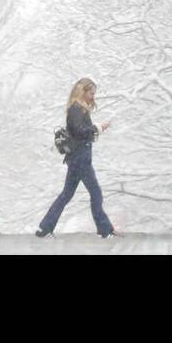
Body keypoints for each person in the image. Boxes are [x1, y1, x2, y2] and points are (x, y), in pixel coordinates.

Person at [37, 77, 116, 238]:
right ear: (83, 91)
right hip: (80, 158)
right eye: (91, 93)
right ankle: (105, 230)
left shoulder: (79, 109)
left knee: (67, 194)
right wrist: (98, 128)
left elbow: (79, 132)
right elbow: (79, 131)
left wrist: (95, 130)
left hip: (78, 157)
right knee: (96, 193)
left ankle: (44, 228)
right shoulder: (75, 109)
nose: (93, 96)